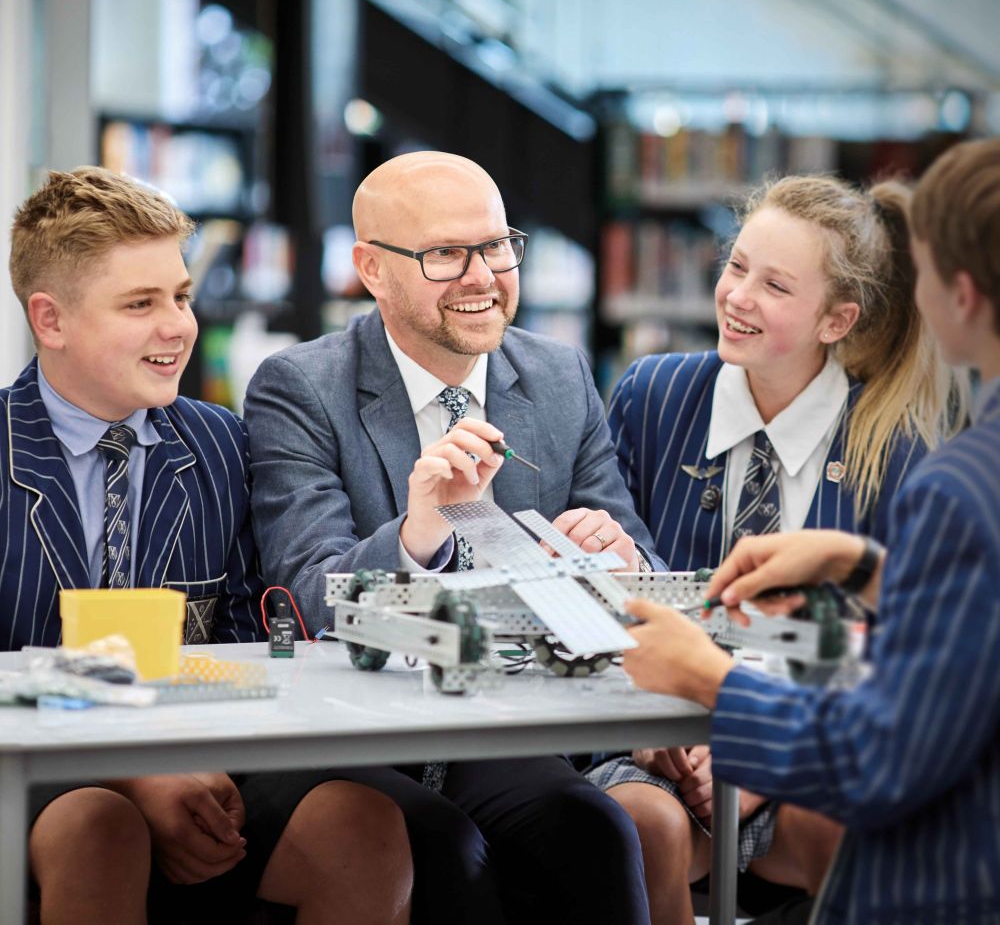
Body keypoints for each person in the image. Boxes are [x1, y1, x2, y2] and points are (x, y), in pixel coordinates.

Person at [244, 150, 662, 924]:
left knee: (599, 830)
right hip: (360, 731)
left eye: (498, 245)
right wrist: (420, 529)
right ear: (372, 269)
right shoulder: (299, 387)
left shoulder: (559, 375)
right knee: (450, 852)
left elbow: (641, 571)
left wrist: (619, 557)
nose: (483, 276)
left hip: (510, 726)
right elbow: (306, 596)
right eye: (445, 254)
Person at [2, 167, 412, 925]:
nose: (177, 326)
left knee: (364, 827)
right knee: (100, 827)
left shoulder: (221, 443)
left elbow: (256, 631)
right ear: (50, 320)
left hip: (202, 749)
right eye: (140, 303)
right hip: (28, 769)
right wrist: (132, 773)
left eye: (182, 296)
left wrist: (199, 754)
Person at [621, 137, 1000, 924]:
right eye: (736, 266)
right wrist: (867, 567)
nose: (739, 295)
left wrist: (724, 705)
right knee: (645, 826)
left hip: (809, 755)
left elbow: (886, 743)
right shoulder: (653, 396)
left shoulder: (936, 469)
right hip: (654, 743)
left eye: (777, 285)